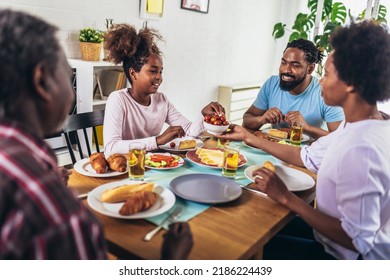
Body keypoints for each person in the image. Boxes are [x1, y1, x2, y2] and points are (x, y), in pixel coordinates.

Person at [0, 9, 193, 260]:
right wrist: (171, 260)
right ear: (41, 80)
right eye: (66, 73)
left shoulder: (21, 164)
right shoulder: (52, 206)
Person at [220, 20, 390, 259]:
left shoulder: (361, 147)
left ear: (351, 83)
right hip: (328, 238)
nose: (321, 80)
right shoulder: (360, 126)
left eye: (327, 74)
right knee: (248, 224)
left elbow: (356, 240)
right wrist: (249, 137)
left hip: (341, 256)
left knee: (240, 247)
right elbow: (306, 156)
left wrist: (285, 197)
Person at [103, 24, 224, 156]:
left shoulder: (161, 100)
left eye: (161, 72)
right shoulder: (118, 99)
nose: (159, 77)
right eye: (153, 71)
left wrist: (204, 115)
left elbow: (189, 131)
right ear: (133, 73)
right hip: (128, 167)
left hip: (152, 164)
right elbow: (111, 147)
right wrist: (158, 140)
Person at [243, 38, 344, 139]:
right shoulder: (272, 84)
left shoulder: (324, 92)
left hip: (308, 152)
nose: (286, 69)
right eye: (283, 63)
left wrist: (307, 128)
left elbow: (340, 138)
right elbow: (247, 120)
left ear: (310, 68)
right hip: (273, 149)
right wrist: (262, 119)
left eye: (295, 65)